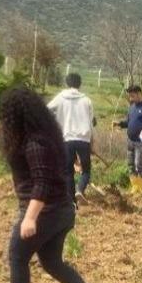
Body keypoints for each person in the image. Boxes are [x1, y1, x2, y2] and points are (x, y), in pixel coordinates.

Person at [0, 87, 108, 283]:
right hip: (61, 211)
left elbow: (42, 183)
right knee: (51, 261)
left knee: (17, 255)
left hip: (47, 211)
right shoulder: (43, 137)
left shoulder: (34, 142)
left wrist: (30, 218)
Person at [47, 72, 96, 202]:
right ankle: (80, 189)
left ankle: (71, 201)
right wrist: (92, 141)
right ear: (80, 84)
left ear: (67, 83)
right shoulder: (86, 100)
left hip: (66, 139)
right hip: (83, 139)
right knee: (86, 170)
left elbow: (47, 109)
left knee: (68, 171)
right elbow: (91, 123)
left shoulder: (61, 97)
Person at [113, 85, 142, 182]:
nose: (131, 98)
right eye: (130, 96)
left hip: (141, 142)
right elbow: (129, 122)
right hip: (130, 140)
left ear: (139, 94)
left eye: (132, 96)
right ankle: (134, 187)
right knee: (131, 165)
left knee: (139, 164)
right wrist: (120, 124)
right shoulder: (132, 107)